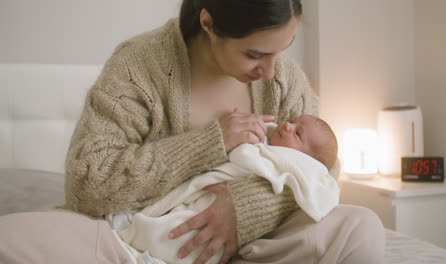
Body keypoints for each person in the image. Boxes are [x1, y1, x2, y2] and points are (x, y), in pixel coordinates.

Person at [0, 1, 385, 263]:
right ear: (208, 23)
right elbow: (89, 184)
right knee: (8, 240)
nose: (271, 70)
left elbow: (322, 172)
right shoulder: (139, 66)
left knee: (360, 227)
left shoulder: (283, 80)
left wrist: (246, 209)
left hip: (254, 245)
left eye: (281, 50)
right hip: (132, 240)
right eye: (254, 55)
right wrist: (209, 143)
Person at [109, 114, 341, 264]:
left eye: (297, 133)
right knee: (182, 212)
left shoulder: (290, 164)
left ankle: (139, 240)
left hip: (231, 222)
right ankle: (138, 235)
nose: (287, 125)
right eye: (292, 120)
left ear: (305, 159)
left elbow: (244, 156)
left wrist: (253, 141)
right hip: (209, 191)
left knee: (185, 231)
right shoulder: (278, 145)